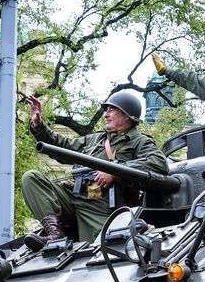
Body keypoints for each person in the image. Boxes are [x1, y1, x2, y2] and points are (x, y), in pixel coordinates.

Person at [21, 91, 168, 246]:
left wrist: (115, 172)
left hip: (101, 208)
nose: (106, 114)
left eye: (112, 110)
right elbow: (63, 147)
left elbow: (159, 163)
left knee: (102, 251)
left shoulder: (140, 142)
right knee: (31, 178)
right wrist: (39, 127)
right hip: (74, 197)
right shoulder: (96, 139)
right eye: (106, 110)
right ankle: (55, 234)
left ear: (127, 116)